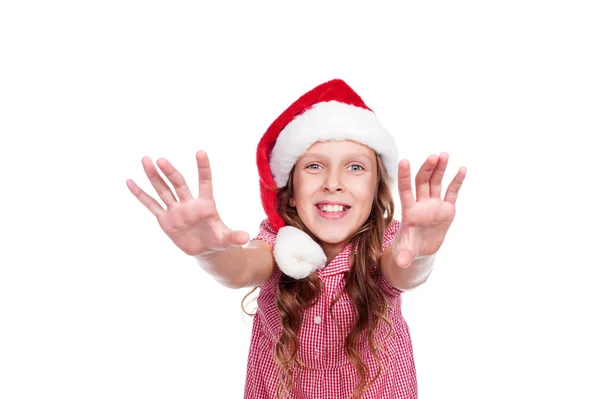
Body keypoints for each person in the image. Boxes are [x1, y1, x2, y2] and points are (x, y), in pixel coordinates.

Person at [126, 79, 466, 399]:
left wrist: (421, 254)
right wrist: (210, 252)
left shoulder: (389, 242)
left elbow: (403, 270)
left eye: (355, 167)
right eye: (315, 167)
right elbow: (242, 267)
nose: (333, 183)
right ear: (289, 194)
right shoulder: (278, 243)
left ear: (376, 190)